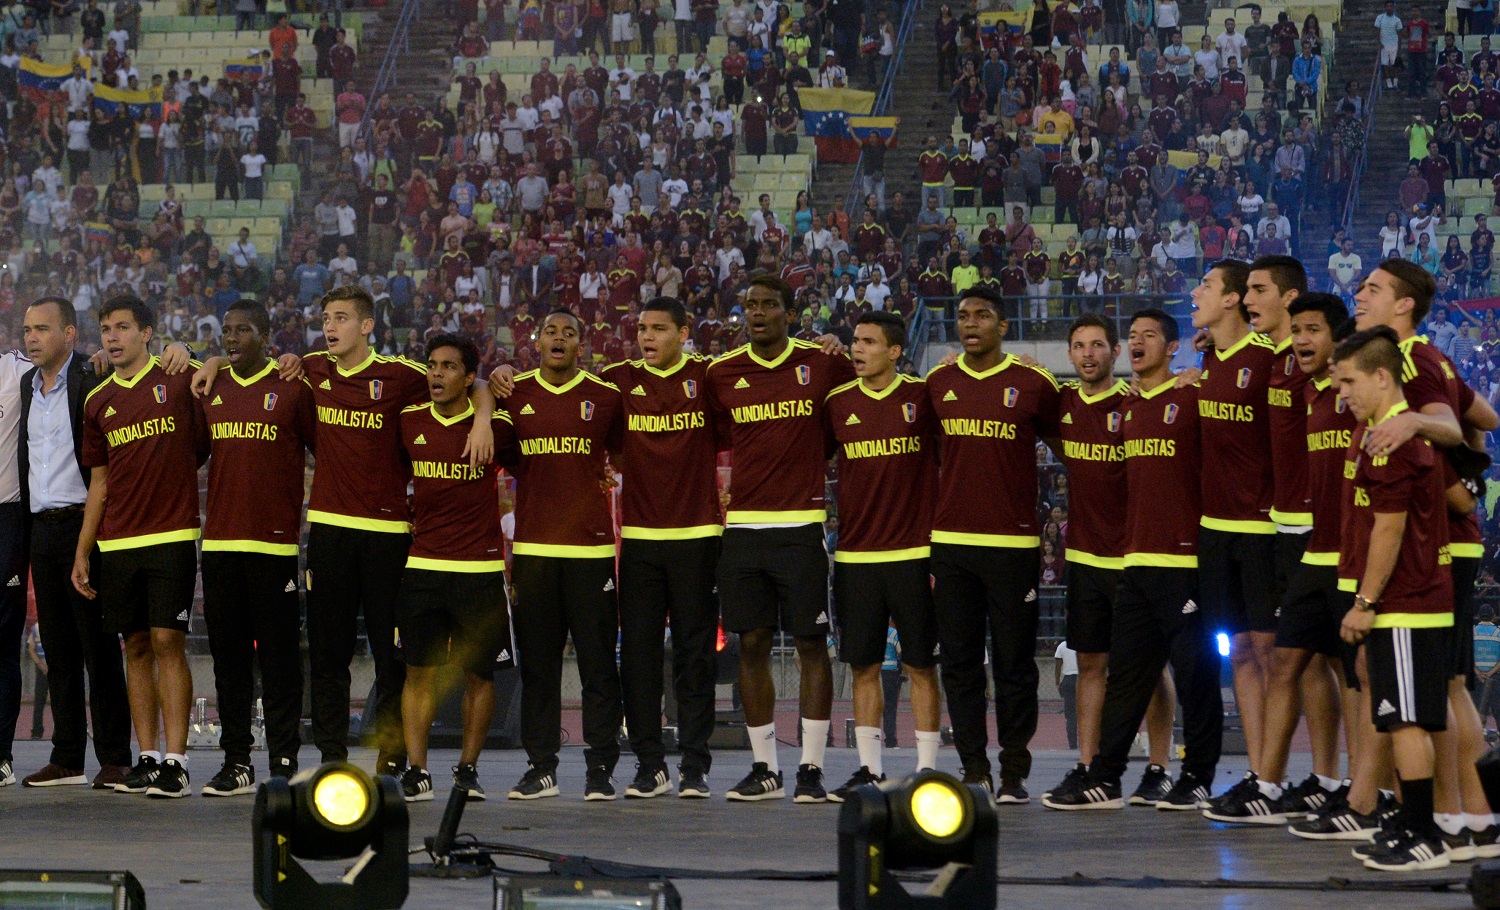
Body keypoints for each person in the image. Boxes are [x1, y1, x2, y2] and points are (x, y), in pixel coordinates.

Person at [195, 286, 496, 778]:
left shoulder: (402, 376)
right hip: (329, 533)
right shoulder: (312, 369)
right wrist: (209, 361)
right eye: (325, 318)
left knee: (389, 656)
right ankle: (333, 757)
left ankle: (391, 757)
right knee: (328, 655)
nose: (329, 327)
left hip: (387, 534)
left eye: (339, 318)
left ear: (366, 325)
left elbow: (472, 380)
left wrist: (483, 419)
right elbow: (246, 362)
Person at [1043, 309, 1224, 811]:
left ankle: (1178, 772)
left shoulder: (1172, 398)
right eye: (1079, 346)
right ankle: (1098, 772)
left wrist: (1204, 365)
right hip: (1113, 560)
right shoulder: (1100, 407)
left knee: (1177, 673)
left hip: (1167, 559)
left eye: (1147, 336)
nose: (1088, 354)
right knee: (1112, 670)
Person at [1204, 292, 1355, 825]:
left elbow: (1466, 418)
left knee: (1345, 669)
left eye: (1259, 292)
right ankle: (1283, 783)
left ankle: (1357, 791)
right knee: (1296, 660)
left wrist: (1468, 467)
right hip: (1293, 535)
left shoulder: (1354, 385)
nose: (1249, 303)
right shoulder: (1289, 375)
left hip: (1338, 541)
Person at [706, 275, 854, 802]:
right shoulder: (721, 374)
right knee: (752, 644)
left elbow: (851, 421)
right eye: (750, 305)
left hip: (802, 526)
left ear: (789, 314)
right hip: (743, 529)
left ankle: (811, 769)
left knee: (813, 644)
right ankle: (765, 768)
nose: (758, 312)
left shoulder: (825, 363)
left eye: (769, 304)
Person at [927, 286, 1060, 802]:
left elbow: (1071, 440)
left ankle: (1014, 771)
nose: (971, 323)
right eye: (962, 316)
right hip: (953, 544)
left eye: (982, 315)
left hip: (1012, 546)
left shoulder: (1034, 383)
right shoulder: (937, 383)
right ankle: (973, 766)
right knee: (959, 662)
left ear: (1003, 326)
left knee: (1014, 663)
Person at [74, 296, 208, 799]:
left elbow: (217, 382)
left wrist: (195, 351)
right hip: (117, 540)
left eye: (123, 327)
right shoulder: (97, 401)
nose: (112, 337)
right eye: (106, 328)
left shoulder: (180, 377)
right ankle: (147, 756)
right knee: (134, 646)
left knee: (168, 641)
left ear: (147, 333)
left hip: (171, 534)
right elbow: (100, 483)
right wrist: (83, 551)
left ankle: (177, 760)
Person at [1333, 325, 1456, 871]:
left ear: (1383, 378)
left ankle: (1424, 834)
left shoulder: (1389, 442)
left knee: (1404, 722)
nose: (1343, 394)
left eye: (1349, 382)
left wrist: (1365, 601)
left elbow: (1389, 530)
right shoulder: (1395, 436)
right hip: (1416, 598)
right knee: (1403, 719)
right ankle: (1412, 823)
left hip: (1405, 601)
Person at [594, 298, 722, 799]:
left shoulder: (709, 378)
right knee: (639, 659)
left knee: (695, 657)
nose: (646, 338)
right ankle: (651, 764)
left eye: (658, 330)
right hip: (642, 540)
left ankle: (695, 765)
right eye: (641, 328)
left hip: (697, 537)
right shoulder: (619, 379)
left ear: (684, 332)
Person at [498, 310, 625, 800]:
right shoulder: (516, 394)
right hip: (533, 551)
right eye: (550, 331)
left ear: (580, 344)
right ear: (537, 341)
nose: (558, 338)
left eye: (568, 332)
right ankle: (541, 767)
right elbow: (505, 450)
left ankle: (600, 770)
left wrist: (603, 475)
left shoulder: (605, 397)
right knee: (539, 668)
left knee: (597, 665)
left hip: (591, 551)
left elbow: (621, 454)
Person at [16, 299, 138, 790]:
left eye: (41, 329)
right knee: (59, 650)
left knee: (98, 647)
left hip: (86, 527)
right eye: (26, 330)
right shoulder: (26, 385)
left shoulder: (93, 379)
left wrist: (185, 349)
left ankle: (114, 756)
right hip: (41, 530)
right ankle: (66, 756)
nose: (30, 338)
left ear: (69, 334)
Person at [823, 310, 942, 801]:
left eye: (869, 342)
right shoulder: (837, 404)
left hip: (914, 554)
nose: (858, 348)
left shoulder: (923, 398)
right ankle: (868, 770)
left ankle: (928, 770)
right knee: (864, 667)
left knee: (920, 666)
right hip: (855, 556)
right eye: (855, 340)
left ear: (895, 351)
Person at [197, 300, 314, 794]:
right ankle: (237, 761)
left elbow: (322, 452)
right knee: (229, 660)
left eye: (243, 330)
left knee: (281, 660)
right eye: (227, 330)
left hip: (274, 548)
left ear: (265, 336)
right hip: (220, 544)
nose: (232, 337)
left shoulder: (292, 388)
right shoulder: (208, 388)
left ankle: (283, 760)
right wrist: (201, 358)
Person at [396, 334, 514, 803]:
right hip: (422, 566)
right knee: (418, 673)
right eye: (432, 365)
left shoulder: (495, 428)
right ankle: (417, 770)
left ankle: (468, 769)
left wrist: (484, 410)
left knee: (479, 676)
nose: (437, 374)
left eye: (449, 367)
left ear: (468, 378)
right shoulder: (408, 421)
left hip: (480, 570)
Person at [1190, 261, 1283, 813]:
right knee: (1241, 656)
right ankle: (1255, 773)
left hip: (1261, 530)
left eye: (1206, 285)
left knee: (1271, 656)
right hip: (1214, 530)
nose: (1196, 292)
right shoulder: (1205, 361)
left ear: (1230, 302)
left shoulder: (1269, 361)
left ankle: (1276, 776)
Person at [1055, 640, 1079, 752]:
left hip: (1068, 680)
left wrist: (1057, 682)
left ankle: (1073, 744)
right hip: (1083, 679)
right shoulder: (1087, 644)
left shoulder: (1062, 646)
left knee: (1070, 714)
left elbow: (1058, 667)